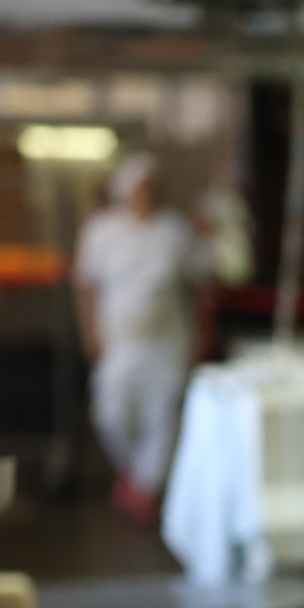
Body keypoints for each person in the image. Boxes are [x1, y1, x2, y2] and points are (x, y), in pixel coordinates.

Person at [73, 153, 209, 525]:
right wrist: (90, 331)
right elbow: (86, 285)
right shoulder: (102, 231)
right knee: (111, 413)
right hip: (120, 342)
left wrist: (201, 333)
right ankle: (135, 472)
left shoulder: (173, 230)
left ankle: (146, 489)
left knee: (162, 415)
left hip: (166, 342)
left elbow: (196, 283)